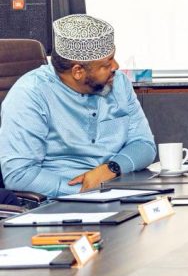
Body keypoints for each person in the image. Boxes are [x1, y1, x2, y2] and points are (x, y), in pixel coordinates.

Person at [0, 14, 157, 197]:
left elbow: (144, 144)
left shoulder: (119, 83)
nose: (116, 66)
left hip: (121, 191)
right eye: (106, 64)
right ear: (78, 71)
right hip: (60, 203)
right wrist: (86, 192)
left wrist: (111, 168)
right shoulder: (30, 94)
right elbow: (19, 175)